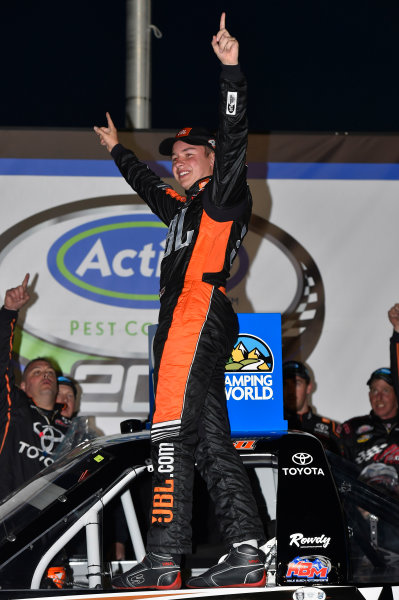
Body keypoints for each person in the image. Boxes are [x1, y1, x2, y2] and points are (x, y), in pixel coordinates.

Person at [94, 13, 266, 591]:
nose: (180, 157)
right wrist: (119, 150)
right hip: (191, 318)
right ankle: (248, 549)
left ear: (215, 161)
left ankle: (165, 556)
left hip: (197, 311)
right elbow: (149, 184)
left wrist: (231, 72)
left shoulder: (223, 195)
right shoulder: (180, 207)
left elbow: (235, 135)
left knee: (169, 428)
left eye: (191, 151)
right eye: (177, 153)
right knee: (213, 439)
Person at [0, 274, 71, 502]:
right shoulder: (14, 410)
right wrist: (9, 312)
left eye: (50, 372)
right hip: (9, 521)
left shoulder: (73, 431)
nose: (46, 375)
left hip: (55, 526)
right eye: (37, 372)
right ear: (23, 385)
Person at [340, 366, 399, 494]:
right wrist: (354, 501)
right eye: (374, 390)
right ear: (369, 395)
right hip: (363, 508)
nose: (379, 397)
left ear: (397, 394)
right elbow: (340, 479)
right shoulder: (351, 428)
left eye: (385, 390)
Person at [283, 360, 341, 452]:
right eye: (285, 385)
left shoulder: (331, 429)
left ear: (309, 387)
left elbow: (344, 464)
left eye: (297, 383)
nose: (290, 391)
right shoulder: (270, 426)